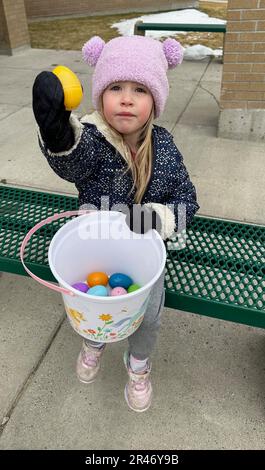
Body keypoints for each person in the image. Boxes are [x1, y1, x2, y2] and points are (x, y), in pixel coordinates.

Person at [32, 35, 199, 413]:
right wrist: (59, 132)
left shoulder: (165, 148)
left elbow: (187, 201)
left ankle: (138, 364)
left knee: (149, 315)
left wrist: (156, 218)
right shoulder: (93, 139)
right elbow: (73, 160)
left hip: (144, 253)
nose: (126, 98)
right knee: (93, 305)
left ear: (155, 99)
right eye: (115, 88)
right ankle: (94, 345)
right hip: (96, 248)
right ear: (100, 95)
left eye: (139, 89)